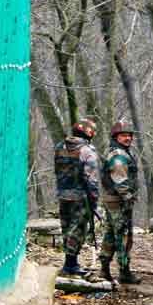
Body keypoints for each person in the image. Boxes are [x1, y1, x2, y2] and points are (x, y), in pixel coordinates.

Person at [54, 118, 100, 276]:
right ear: (89, 133)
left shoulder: (59, 146)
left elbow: (57, 171)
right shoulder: (87, 151)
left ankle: (70, 262)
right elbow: (91, 180)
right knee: (78, 230)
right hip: (80, 197)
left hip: (63, 194)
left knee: (67, 228)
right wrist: (94, 201)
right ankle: (70, 265)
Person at [98, 121, 141, 284]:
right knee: (123, 236)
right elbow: (120, 180)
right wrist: (128, 198)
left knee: (110, 234)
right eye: (123, 135)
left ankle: (104, 269)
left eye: (129, 135)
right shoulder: (118, 156)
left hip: (113, 200)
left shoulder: (120, 152)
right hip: (119, 201)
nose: (128, 138)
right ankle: (124, 271)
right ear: (116, 137)